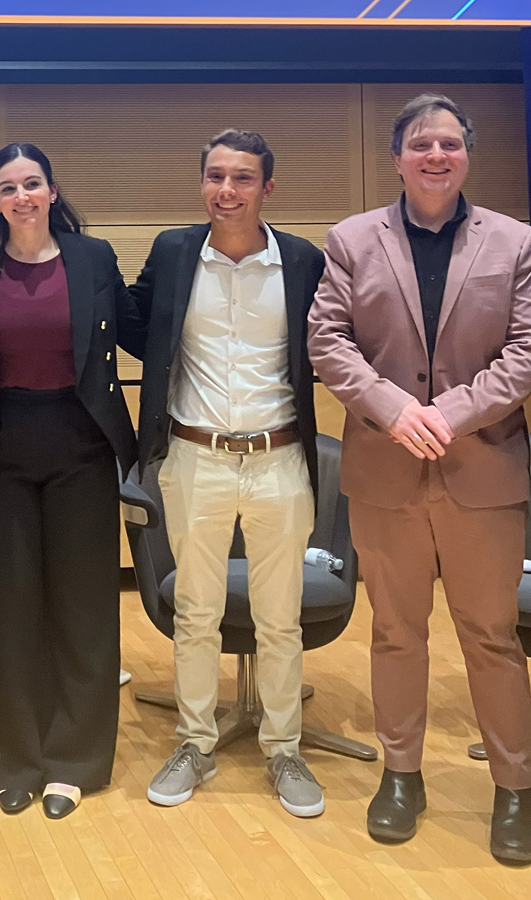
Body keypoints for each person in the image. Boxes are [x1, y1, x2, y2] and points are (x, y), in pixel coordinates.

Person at [308, 93, 531, 864]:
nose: (436, 156)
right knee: (396, 633)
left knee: (492, 638)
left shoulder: (514, 242)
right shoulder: (350, 239)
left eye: (449, 144)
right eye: (420, 144)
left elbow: (526, 352)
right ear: (397, 156)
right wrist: (397, 408)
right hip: (385, 468)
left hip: (484, 470)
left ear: (466, 154)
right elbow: (328, 341)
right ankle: (401, 776)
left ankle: (515, 788)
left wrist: (450, 414)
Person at [125, 130, 327, 818]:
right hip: (195, 457)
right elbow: (137, 324)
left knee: (280, 618)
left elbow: (329, 343)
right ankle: (194, 743)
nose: (226, 191)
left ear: (268, 188)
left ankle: (284, 750)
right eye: (215, 175)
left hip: (279, 458)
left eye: (243, 178)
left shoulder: (302, 261)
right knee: (196, 612)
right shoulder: (174, 252)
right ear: (201, 182)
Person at [0, 142, 136, 819]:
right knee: (8, 608)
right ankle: (13, 759)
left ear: (53, 191)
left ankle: (74, 761)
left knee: (84, 606)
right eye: (8, 187)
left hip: (81, 444)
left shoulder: (94, 260)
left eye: (33, 183)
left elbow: (142, 328)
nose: (22, 196)